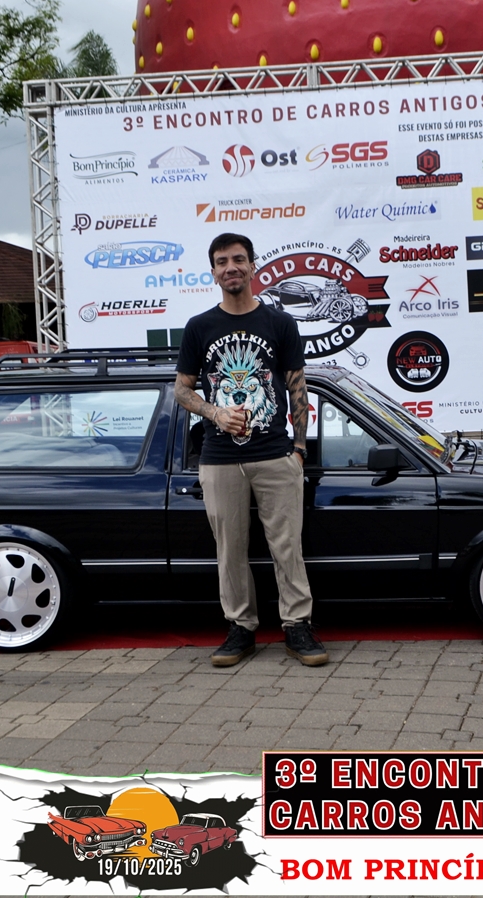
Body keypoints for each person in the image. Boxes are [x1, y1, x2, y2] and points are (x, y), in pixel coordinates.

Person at [174, 232, 327, 668]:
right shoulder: (199, 327)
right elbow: (182, 390)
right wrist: (215, 412)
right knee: (230, 550)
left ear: (252, 265)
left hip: (275, 454)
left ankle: (297, 626)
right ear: (213, 272)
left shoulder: (280, 323)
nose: (231, 268)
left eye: (238, 259)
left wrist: (298, 449)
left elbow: (297, 386)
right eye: (222, 261)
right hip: (219, 459)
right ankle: (240, 628)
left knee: (287, 546)